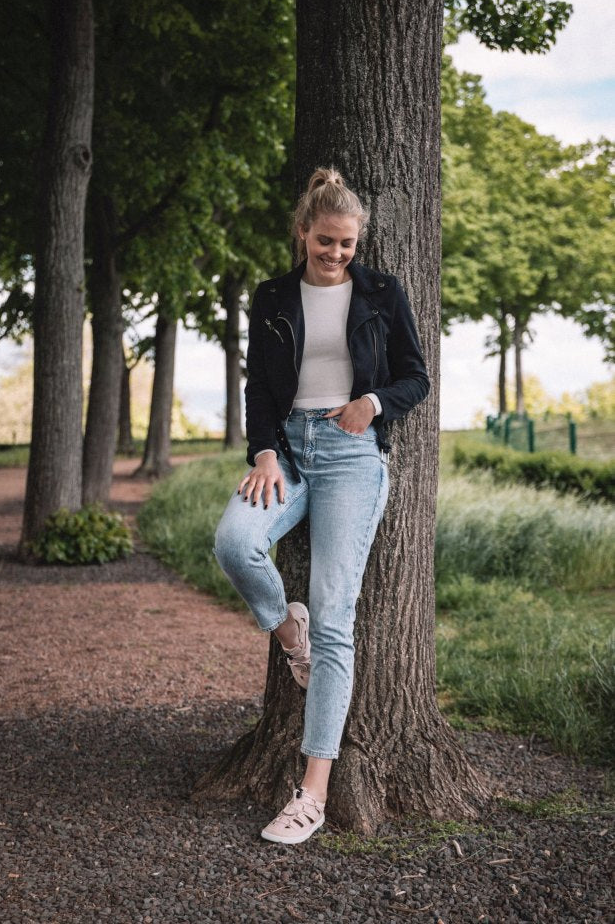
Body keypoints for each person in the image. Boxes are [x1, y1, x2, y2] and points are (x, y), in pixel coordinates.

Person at [214, 167, 430, 844]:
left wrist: (372, 404)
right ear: (302, 232)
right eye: (324, 242)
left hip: (349, 455)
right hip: (288, 451)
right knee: (234, 543)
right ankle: (287, 631)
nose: (334, 253)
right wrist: (264, 454)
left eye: (345, 244)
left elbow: (414, 376)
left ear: (356, 239)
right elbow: (256, 388)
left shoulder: (382, 293)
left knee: (338, 617)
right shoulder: (273, 296)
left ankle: (310, 792)